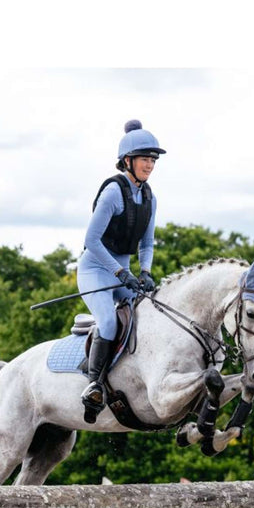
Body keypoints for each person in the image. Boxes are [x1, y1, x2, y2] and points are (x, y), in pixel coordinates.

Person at [77, 119, 165, 417]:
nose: (150, 165)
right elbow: (91, 240)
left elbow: (147, 244)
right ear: (127, 161)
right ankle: (93, 384)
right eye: (144, 159)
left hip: (123, 275)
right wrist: (118, 272)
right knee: (110, 323)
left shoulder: (149, 198)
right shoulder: (114, 192)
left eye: (153, 160)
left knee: (147, 317)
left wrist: (146, 272)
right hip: (96, 271)